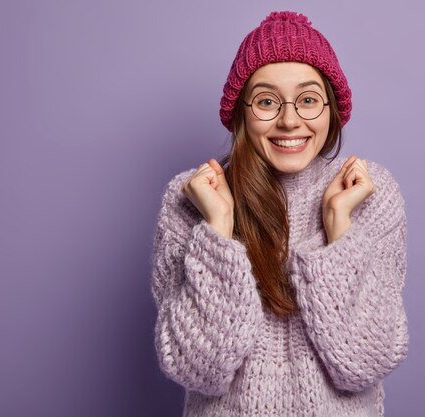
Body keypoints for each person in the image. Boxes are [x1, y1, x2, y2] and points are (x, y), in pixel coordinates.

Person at [151, 10, 409, 417]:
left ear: (331, 110)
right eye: (268, 101)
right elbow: (197, 369)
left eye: (308, 100)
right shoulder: (192, 199)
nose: (290, 121)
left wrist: (339, 229)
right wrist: (218, 231)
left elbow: (366, 362)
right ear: (241, 112)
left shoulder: (369, 196)